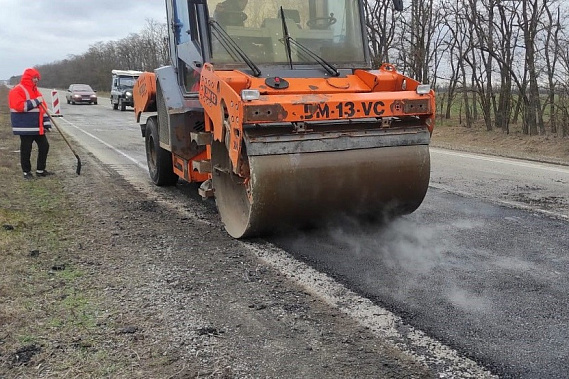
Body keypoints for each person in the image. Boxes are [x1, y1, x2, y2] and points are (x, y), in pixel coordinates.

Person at [8, 68, 53, 179]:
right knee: (26, 149)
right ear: (28, 78)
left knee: (44, 146)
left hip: (38, 126)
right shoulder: (17, 90)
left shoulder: (36, 91)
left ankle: (40, 170)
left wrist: (47, 123)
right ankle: (26, 172)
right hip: (25, 126)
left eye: (37, 78)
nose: (36, 80)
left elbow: (43, 109)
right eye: (34, 78)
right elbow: (20, 106)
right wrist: (37, 101)